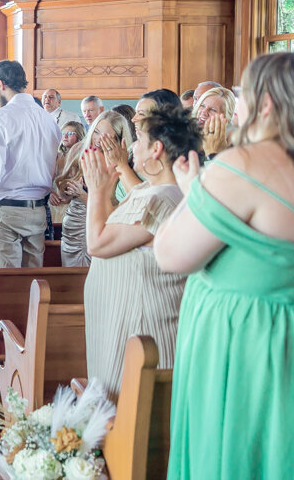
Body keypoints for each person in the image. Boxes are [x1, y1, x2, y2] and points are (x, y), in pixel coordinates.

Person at [154, 52, 294, 478]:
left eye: (244, 97)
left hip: (246, 346)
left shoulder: (243, 165)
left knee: (237, 453)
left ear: (266, 104)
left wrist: (193, 192)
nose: (240, 108)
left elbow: (170, 255)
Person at [80, 105, 201, 399]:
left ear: (156, 149)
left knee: (136, 416)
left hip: (142, 326)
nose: (132, 147)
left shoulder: (162, 198)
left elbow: (97, 242)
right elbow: (111, 224)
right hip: (124, 324)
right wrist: (106, 188)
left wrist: (96, 192)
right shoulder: (150, 190)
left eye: (139, 140)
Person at [0, 61, 61, 268]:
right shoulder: (48, 119)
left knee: (5, 284)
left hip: (5, 212)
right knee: (31, 283)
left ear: (1, 84)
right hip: (37, 210)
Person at [53, 143, 89, 266]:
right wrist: (67, 185)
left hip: (93, 219)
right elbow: (64, 196)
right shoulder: (78, 148)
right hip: (74, 220)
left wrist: (83, 195)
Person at [194, 86, 237, 158]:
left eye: (213, 110)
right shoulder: (187, 131)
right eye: (202, 106)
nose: (204, 112)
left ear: (226, 117)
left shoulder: (232, 141)